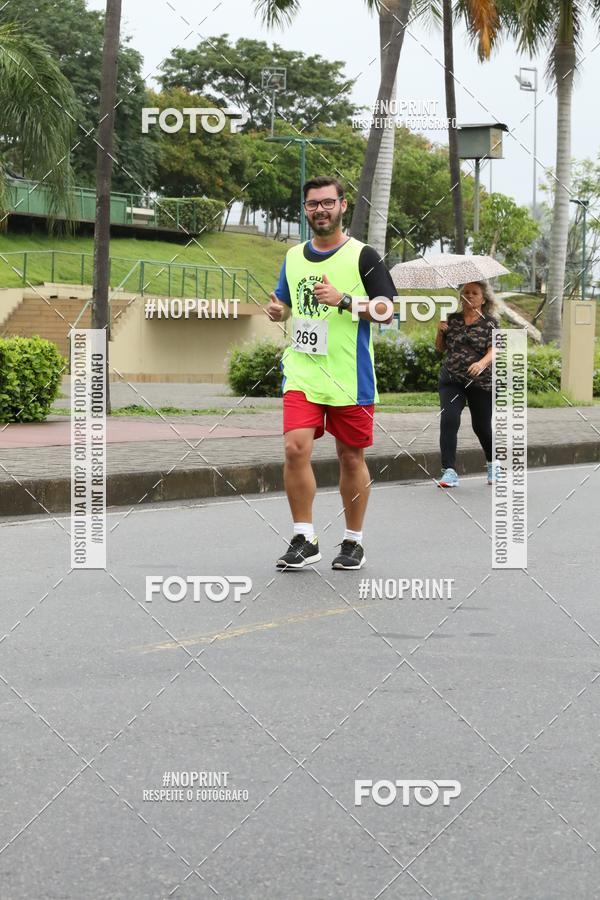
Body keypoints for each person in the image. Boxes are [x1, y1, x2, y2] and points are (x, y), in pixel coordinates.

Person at [266, 175, 395, 570]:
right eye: (312, 204)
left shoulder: (364, 256)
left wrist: (344, 301)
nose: (319, 210)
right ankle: (304, 536)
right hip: (303, 370)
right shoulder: (293, 256)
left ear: (342, 206)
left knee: (350, 457)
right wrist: (279, 311)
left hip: (349, 375)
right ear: (305, 210)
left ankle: (353, 541)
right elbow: (285, 302)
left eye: (327, 202)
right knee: (294, 449)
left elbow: (387, 310)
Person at [435, 280, 498, 488]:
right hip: (452, 380)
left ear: (483, 299)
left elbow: (495, 350)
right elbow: (440, 349)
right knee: (449, 420)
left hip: (480, 382)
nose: (469, 296)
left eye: (474, 293)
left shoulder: (491, 323)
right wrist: (440, 331)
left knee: (481, 426)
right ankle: (449, 472)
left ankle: (492, 463)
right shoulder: (452, 320)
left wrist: (481, 364)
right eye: (465, 293)